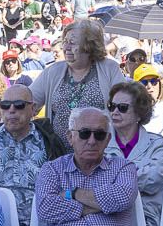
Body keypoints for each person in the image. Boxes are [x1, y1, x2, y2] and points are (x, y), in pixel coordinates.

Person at [29, 19, 125, 150]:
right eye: (65, 42)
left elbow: (123, 106)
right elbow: (27, 102)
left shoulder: (110, 69)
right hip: (59, 155)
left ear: (89, 46)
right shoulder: (53, 71)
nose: (66, 47)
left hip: (98, 151)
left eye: (72, 43)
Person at [0, 84, 48, 226]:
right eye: (5, 105)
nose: (11, 110)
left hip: (41, 225)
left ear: (33, 109)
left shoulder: (48, 141)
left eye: (19, 105)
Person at [106, 81, 163, 226]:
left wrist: (112, 179)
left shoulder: (157, 145)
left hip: (147, 222)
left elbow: (154, 179)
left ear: (139, 112)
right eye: (111, 106)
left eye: (122, 107)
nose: (114, 112)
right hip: (108, 218)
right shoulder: (99, 142)